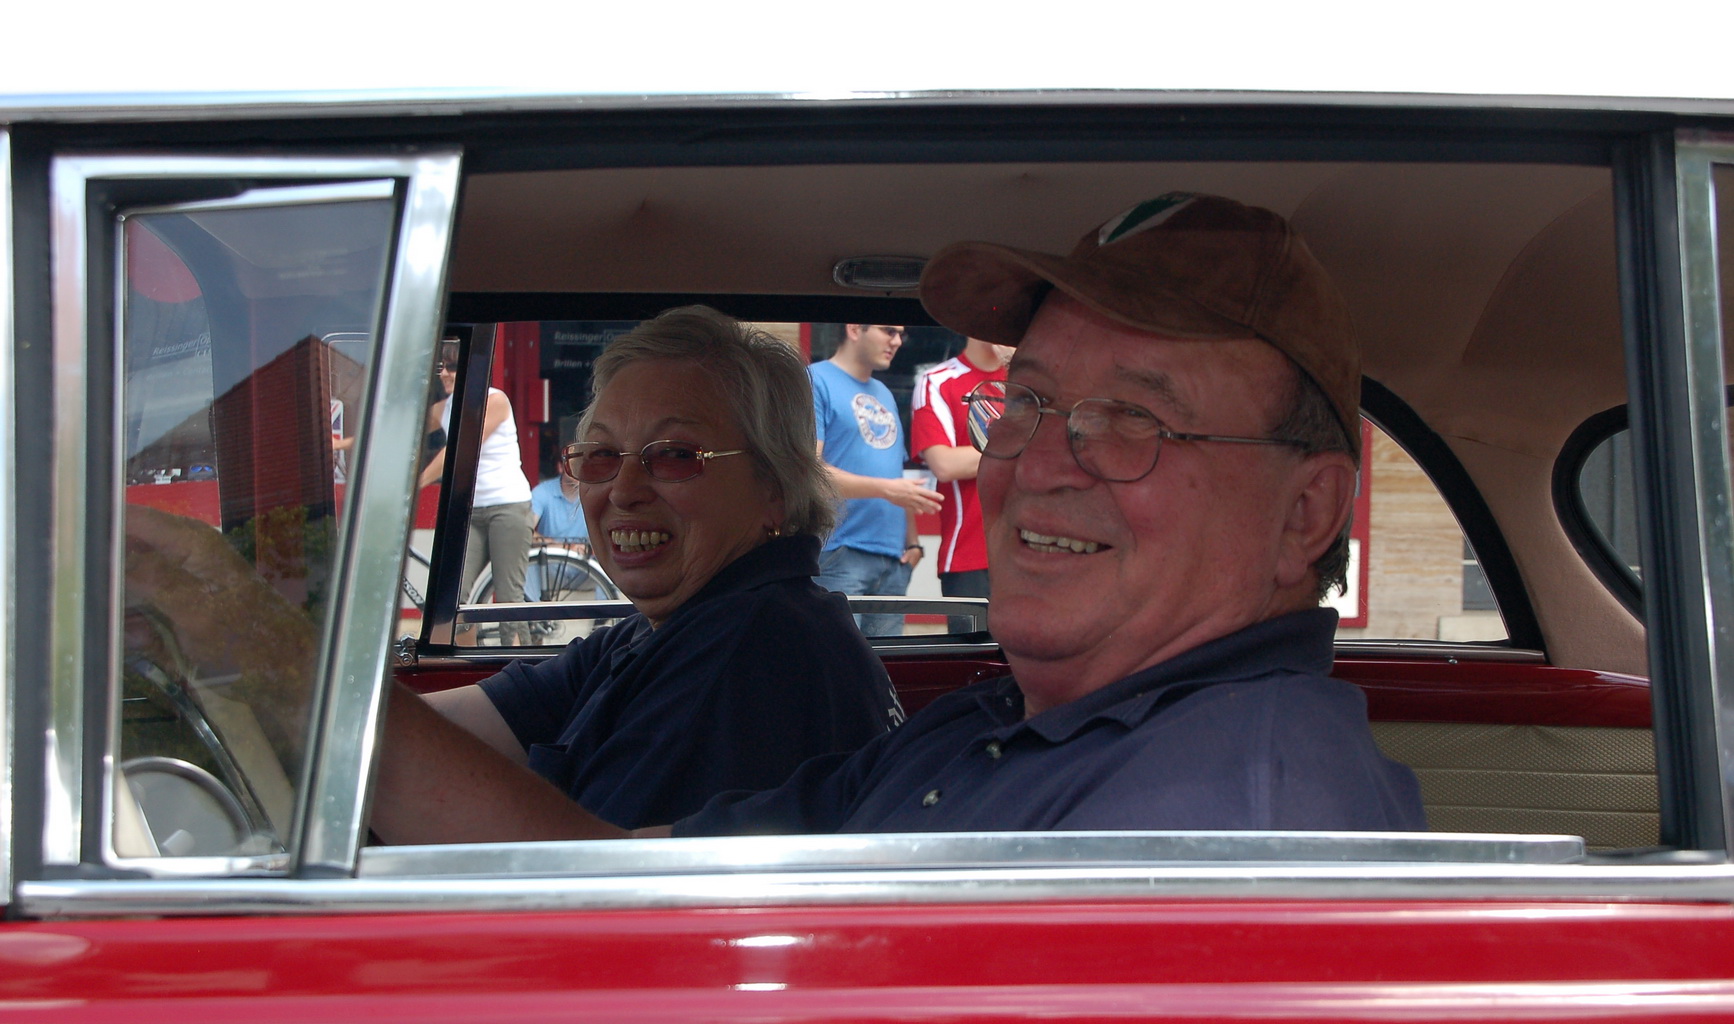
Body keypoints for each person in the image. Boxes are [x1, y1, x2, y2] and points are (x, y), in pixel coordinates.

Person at [373, 192, 1424, 843]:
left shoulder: (1235, 813)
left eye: (1135, 419)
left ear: (1307, 512)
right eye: (1028, 401)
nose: (1037, 462)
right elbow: (617, 880)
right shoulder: (1005, 726)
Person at [369, 306, 903, 836]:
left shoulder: (752, 651)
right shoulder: (658, 632)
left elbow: (576, 882)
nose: (622, 491)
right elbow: (455, 724)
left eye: (673, 455)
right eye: (601, 455)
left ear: (775, 489)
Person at [809, 324, 943, 635]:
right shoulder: (815, 380)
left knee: (887, 669)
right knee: (840, 664)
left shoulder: (883, 392)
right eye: (888, 331)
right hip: (840, 551)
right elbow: (808, 473)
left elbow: (895, 474)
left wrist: (912, 543)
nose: (897, 341)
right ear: (854, 329)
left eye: (901, 334)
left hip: (894, 558)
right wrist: (886, 490)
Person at [420, 347, 535, 645]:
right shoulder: (444, 408)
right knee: (454, 597)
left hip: (507, 506)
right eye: (442, 366)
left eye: (453, 367)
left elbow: (460, 450)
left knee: (508, 598)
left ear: (472, 370)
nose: (444, 373)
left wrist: (417, 482)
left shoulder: (495, 400)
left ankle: (519, 666)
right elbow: (403, 428)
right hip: (471, 511)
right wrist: (343, 443)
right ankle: (460, 664)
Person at [910, 338, 1015, 632]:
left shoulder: (1030, 380)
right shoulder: (939, 380)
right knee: (976, 660)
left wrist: (1017, 368)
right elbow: (944, 464)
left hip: (1032, 549)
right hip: (969, 552)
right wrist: (1024, 444)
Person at [530, 466, 589, 545]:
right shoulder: (542, 491)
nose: (580, 471)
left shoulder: (594, 495)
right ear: (560, 467)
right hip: (549, 555)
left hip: (585, 556)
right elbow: (524, 532)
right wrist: (562, 547)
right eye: (574, 465)